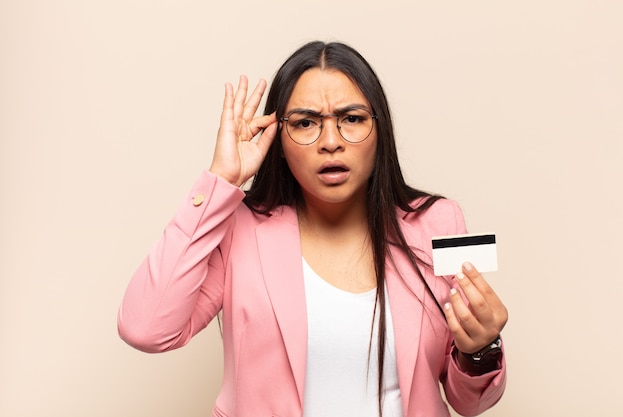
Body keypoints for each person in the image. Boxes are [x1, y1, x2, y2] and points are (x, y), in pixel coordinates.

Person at [118, 41, 508, 417]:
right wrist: (221, 180)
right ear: (279, 140)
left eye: (351, 119)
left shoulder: (440, 222)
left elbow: (469, 403)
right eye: (306, 123)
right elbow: (145, 329)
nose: (330, 142)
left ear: (380, 129)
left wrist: (480, 350)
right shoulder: (240, 228)